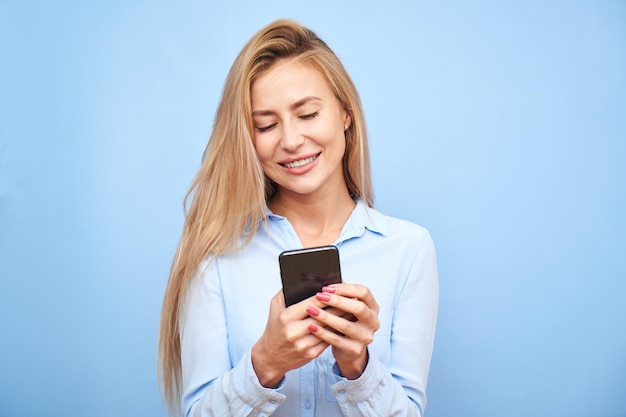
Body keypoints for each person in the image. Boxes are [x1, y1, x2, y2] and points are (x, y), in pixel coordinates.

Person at [158, 18, 439, 417]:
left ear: (345, 113)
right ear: (247, 138)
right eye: (266, 125)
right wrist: (265, 364)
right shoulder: (216, 255)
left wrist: (357, 365)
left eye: (307, 114)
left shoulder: (408, 250)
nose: (290, 141)